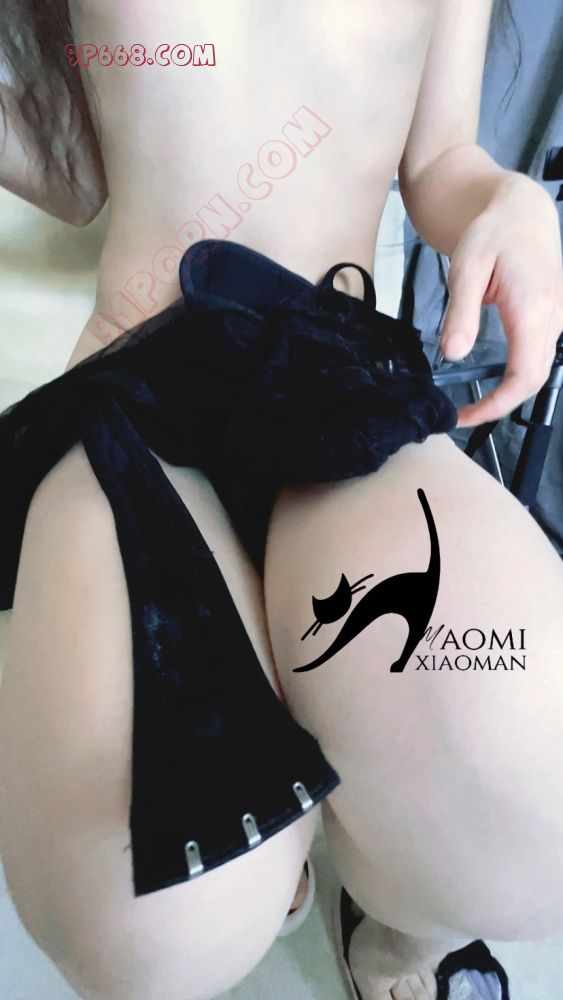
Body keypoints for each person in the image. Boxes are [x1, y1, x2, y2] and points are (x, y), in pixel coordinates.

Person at [0, 2, 562, 999]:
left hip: (336, 378)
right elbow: (72, 169)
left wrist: (504, 201)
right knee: (146, 929)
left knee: (532, 823)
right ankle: (285, 851)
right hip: (137, 382)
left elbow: (440, 160)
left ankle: (393, 922)